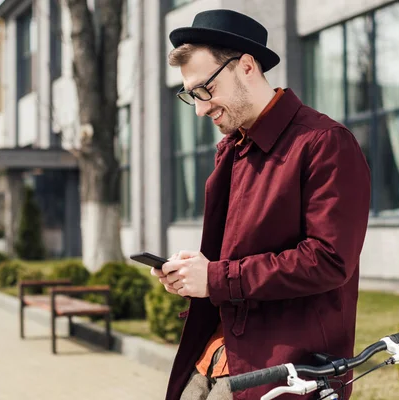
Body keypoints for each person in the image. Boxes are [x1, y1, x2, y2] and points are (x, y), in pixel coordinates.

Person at [152, 9, 371, 400]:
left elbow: (329, 259)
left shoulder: (325, 143)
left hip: (280, 369)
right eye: (191, 96)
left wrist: (216, 278)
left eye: (206, 89)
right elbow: (235, 258)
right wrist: (194, 275)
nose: (201, 108)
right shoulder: (233, 150)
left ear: (247, 66)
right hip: (214, 357)